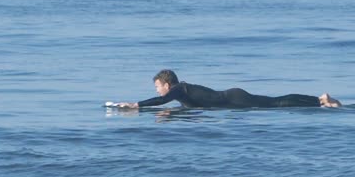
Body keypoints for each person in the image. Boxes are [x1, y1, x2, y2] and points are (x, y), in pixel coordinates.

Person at [110, 69, 341, 109]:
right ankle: (319, 101)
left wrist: (136, 105)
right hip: (232, 99)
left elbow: (161, 102)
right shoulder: (181, 93)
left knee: (275, 104)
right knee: (274, 102)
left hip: (235, 99)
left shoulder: (178, 90)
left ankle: (320, 101)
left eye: (158, 87)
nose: (159, 91)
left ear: (167, 84)